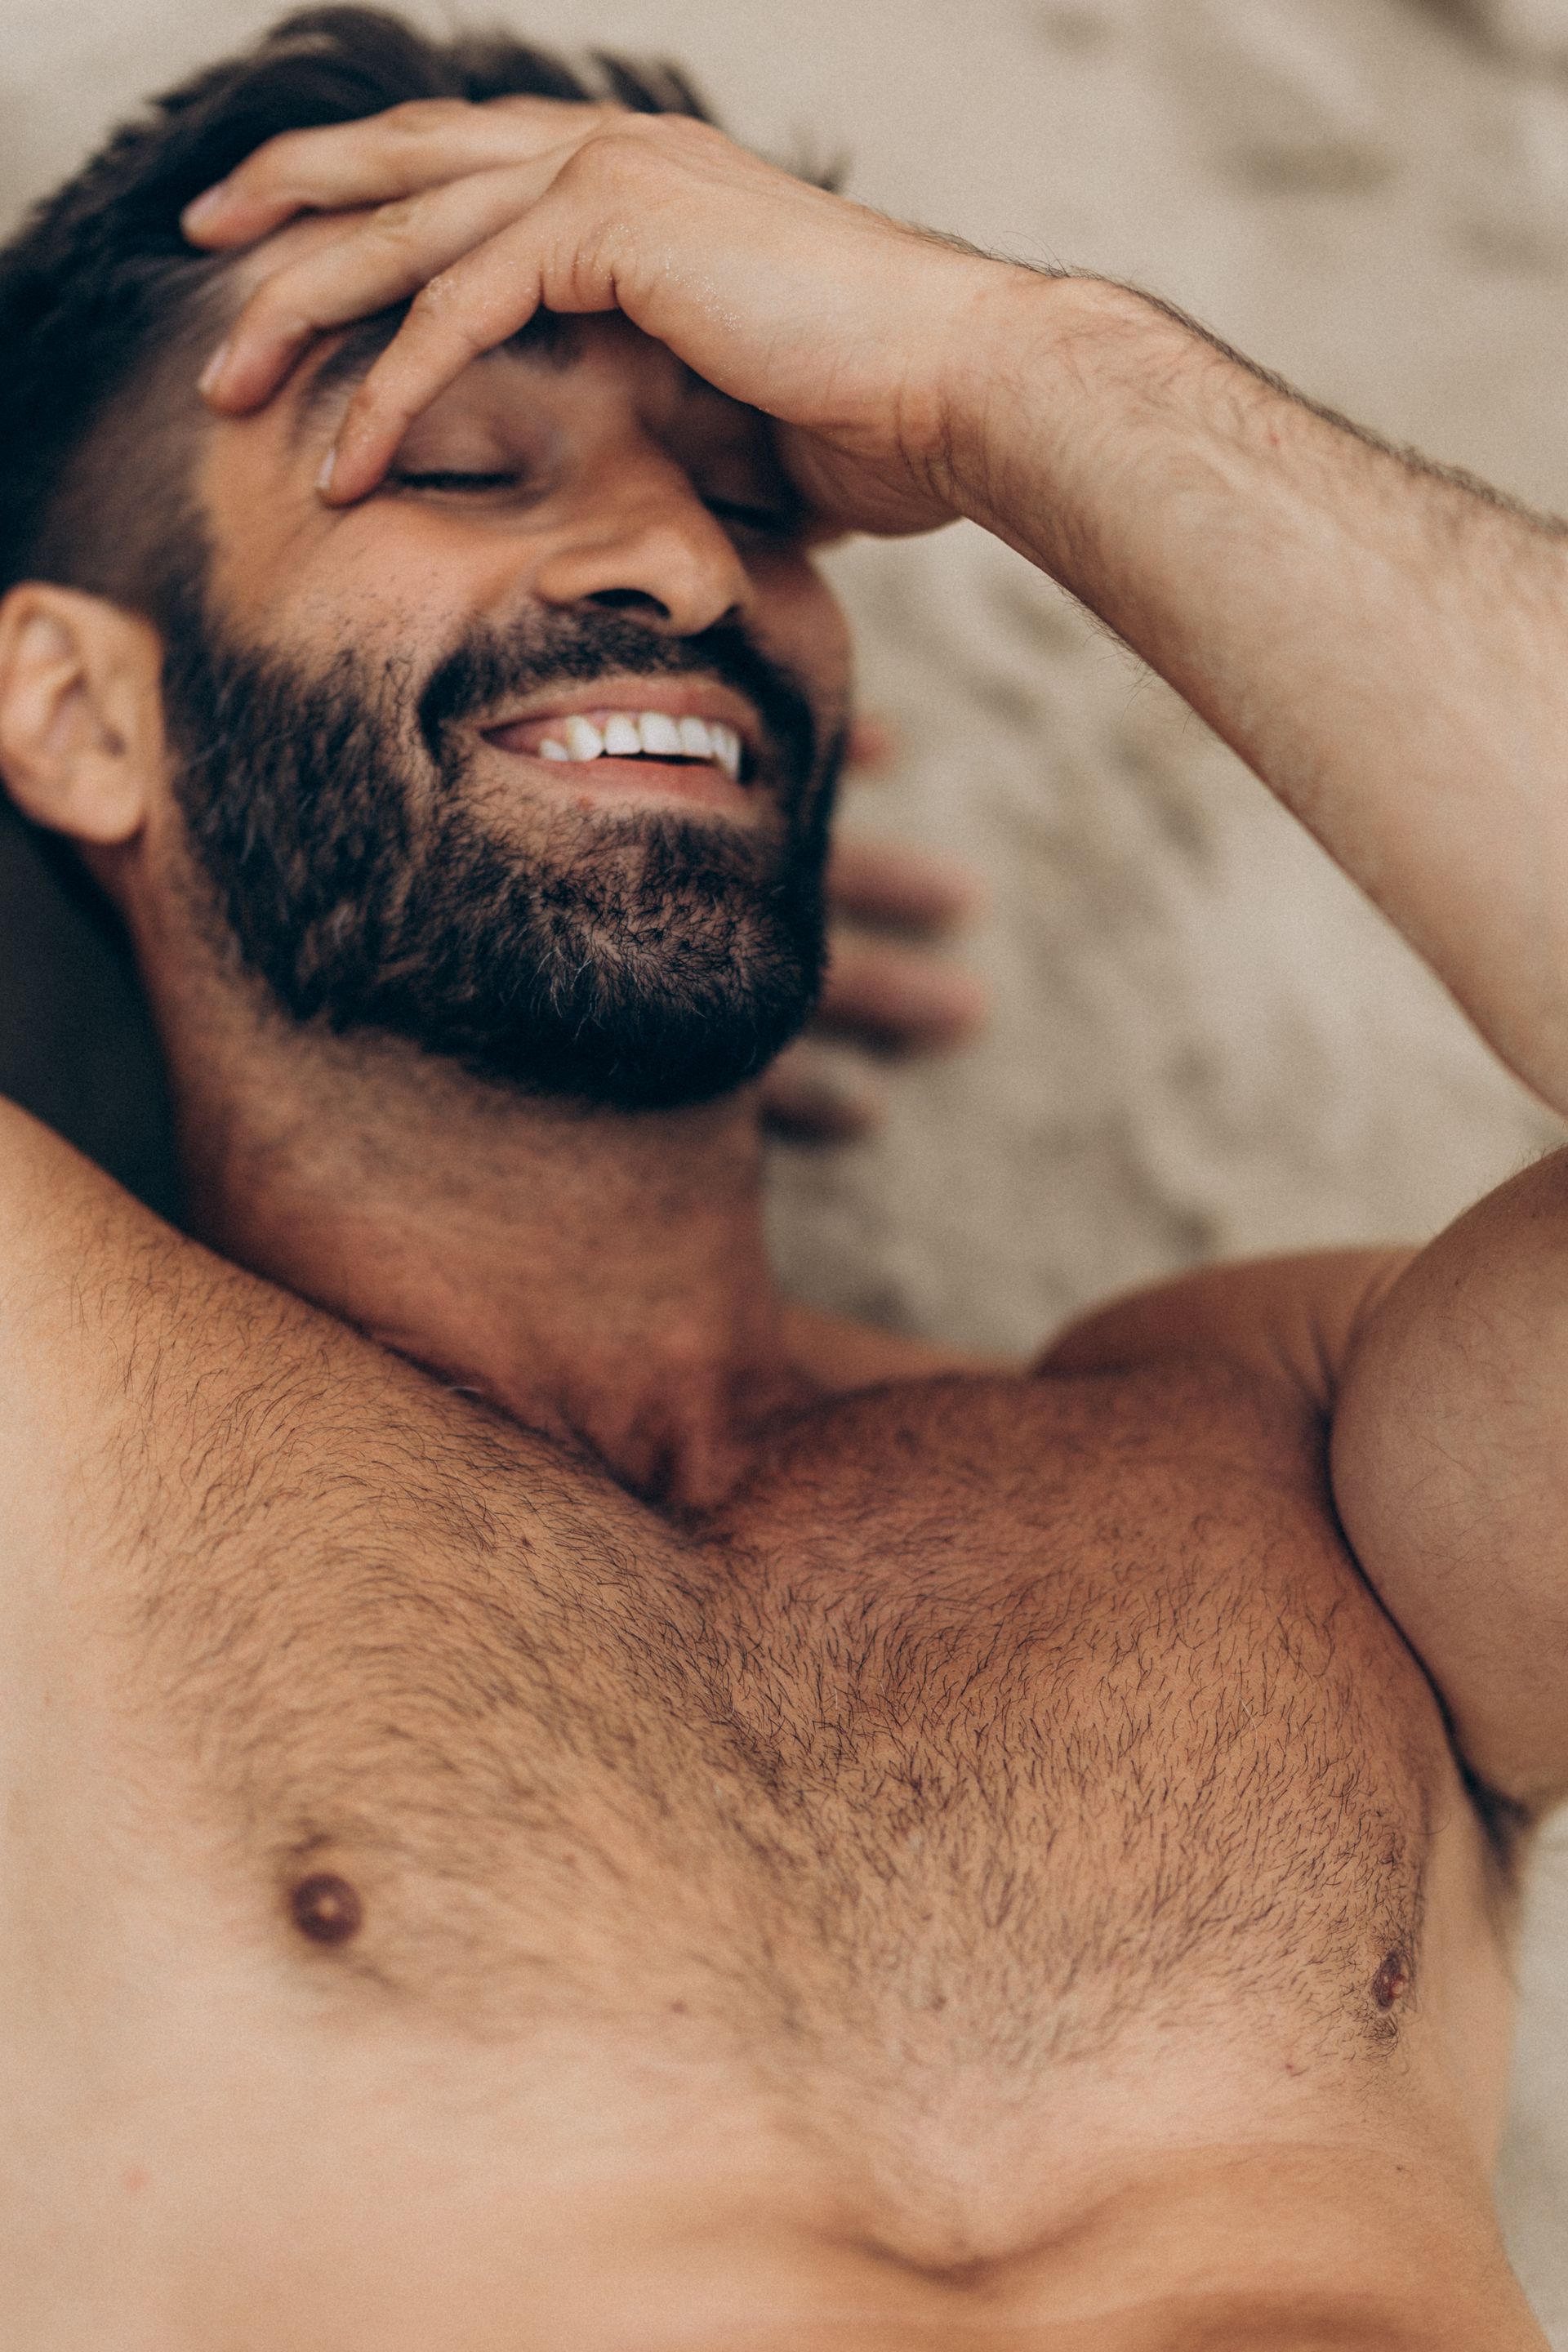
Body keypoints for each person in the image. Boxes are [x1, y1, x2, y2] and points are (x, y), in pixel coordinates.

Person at [0, 7, 1561, 2345]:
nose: (675, 570)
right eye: (458, 470)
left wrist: (1001, 368)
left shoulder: (1293, 1453)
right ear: (79, 712)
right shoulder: (56, 1407)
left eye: (763, 503)